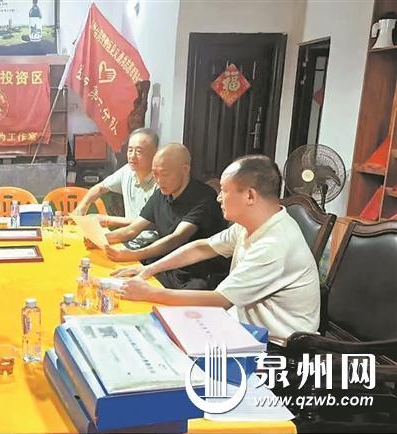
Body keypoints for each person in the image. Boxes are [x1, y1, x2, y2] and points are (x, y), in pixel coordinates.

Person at [114, 155, 320, 347]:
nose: (219, 198)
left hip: (275, 345)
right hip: (241, 324)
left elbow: (219, 300)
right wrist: (149, 270)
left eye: (224, 191)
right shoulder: (253, 224)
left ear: (250, 196)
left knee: (156, 339)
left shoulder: (274, 244)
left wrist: (151, 293)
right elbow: (202, 247)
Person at [102, 143, 229, 289]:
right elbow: (133, 229)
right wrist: (102, 239)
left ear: (185, 169)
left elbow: (176, 238)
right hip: (165, 266)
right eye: (155, 174)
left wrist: (134, 254)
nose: (159, 180)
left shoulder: (204, 196)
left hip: (195, 274)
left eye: (165, 174)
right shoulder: (161, 194)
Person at [73, 128, 159, 228]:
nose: (132, 156)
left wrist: (107, 220)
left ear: (155, 153)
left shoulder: (160, 182)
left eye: (139, 151)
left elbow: (150, 223)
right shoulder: (127, 171)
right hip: (128, 235)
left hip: (149, 237)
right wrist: (82, 206)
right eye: (130, 150)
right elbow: (100, 188)